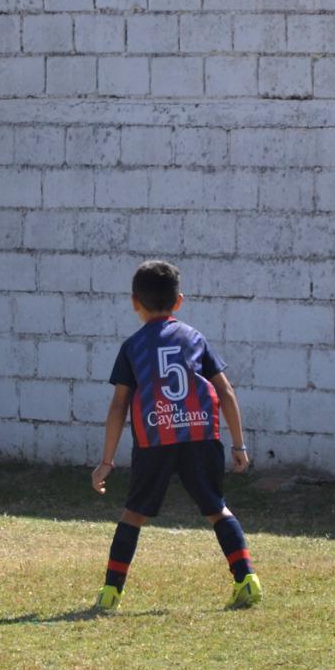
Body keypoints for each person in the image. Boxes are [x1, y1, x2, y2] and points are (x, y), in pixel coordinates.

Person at [90, 260, 261, 611]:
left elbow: (118, 406)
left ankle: (110, 593)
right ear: (179, 301)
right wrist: (239, 444)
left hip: (156, 439)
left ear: (135, 301)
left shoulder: (133, 347)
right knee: (217, 509)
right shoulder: (194, 338)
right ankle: (246, 579)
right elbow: (225, 393)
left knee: (134, 514)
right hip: (201, 433)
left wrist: (106, 461)